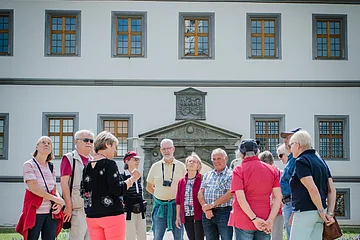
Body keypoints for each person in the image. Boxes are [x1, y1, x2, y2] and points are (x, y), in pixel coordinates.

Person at [81, 131, 141, 240]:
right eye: (114, 146)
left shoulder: (87, 167)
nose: (115, 151)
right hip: (111, 215)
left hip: (92, 216)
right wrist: (132, 179)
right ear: (107, 144)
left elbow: (83, 191)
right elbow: (118, 190)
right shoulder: (110, 164)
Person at [229, 139, 282, 240]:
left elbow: (240, 198)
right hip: (265, 219)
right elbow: (278, 197)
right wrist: (270, 220)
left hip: (243, 218)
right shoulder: (272, 170)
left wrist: (254, 219)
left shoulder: (238, 170)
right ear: (257, 152)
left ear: (241, 154)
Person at [288, 130, 336, 240]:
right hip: (320, 212)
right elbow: (332, 190)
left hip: (305, 211)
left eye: (291, 145)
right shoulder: (321, 161)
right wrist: (328, 213)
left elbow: (312, 189)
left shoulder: (301, 161)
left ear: (297, 145)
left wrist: (321, 210)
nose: (290, 149)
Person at [16, 136, 65, 240]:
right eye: (43, 142)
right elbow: (34, 188)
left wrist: (59, 202)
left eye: (49, 143)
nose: (46, 144)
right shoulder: (29, 165)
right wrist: (55, 199)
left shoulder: (51, 166)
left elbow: (54, 189)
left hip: (50, 212)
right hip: (35, 212)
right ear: (37, 147)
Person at [146, 138, 186, 240]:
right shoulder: (155, 166)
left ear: (173, 149)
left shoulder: (182, 167)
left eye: (169, 148)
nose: (166, 151)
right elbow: (149, 186)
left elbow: (186, 187)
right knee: (157, 237)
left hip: (176, 207)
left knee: (179, 237)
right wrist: (159, 194)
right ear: (160, 151)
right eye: (164, 149)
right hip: (160, 207)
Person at [60, 129, 94, 240]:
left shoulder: (93, 161)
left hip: (92, 209)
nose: (89, 142)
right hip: (77, 209)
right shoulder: (69, 158)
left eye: (91, 140)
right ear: (76, 142)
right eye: (85, 140)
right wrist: (68, 206)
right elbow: (64, 183)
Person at [198, 148, 233, 240]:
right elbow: (200, 192)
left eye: (219, 158)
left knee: (226, 238)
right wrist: (205, 207)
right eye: (214, 159)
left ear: (225, 159)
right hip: (208, 213)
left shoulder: (231, 174)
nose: (216, 161)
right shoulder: (207, 175)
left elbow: (229, 194)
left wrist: (212, 205)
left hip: (224, 213)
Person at [176, 152, 204, 240]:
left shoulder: (202, 179)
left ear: (198, 166)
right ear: (186, 165)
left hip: (199, 215)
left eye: (194, 162)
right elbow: (178, 201)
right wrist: (178, 217)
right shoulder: (181, 181)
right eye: (189, 161)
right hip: (187, 215)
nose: (191, 163)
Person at [279, 127, 301, 239]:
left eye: (288, 138)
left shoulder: (298, 159)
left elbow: (300, 186)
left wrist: (295, 211)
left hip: (294, 204)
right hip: (288, 203)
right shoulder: (292, 158)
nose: (285, 141)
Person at [121, 151, 147, 240]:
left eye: (138, 160)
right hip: (128, 211)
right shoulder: (122, 177)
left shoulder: (138, 176)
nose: (137, 161)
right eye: (134, 159)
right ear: (127, 161)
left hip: (140, 210)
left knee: (142, 236)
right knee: (129, 236)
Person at [259, 150, 284, 240]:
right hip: (274, 210)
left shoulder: (280, 174)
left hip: (273, 210)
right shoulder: (281, 173)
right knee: (276, 236)